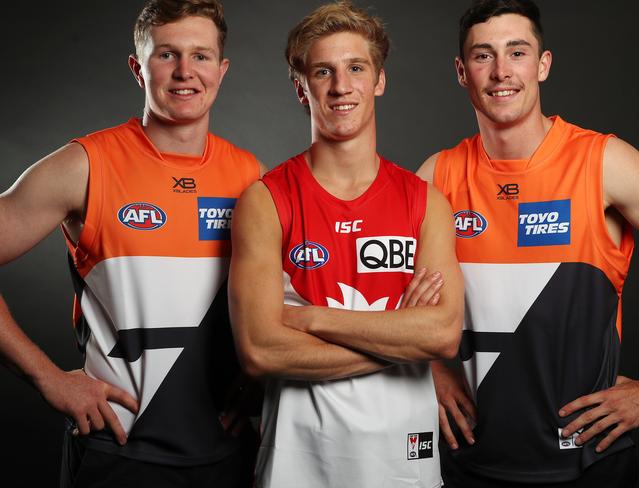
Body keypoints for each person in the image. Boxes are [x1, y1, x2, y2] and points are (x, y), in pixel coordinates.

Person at [0, 0, 265, 486]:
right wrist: (47, 377)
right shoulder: (85, 165)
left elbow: (273, 302)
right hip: (118, 451)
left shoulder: (252, 178)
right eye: (166, 55)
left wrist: (257, 381)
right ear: (137, 68)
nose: (185, 72)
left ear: (222, 70)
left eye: (201, 56)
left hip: (226, 452)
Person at [228, 2, 464, 487]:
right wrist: (402, 337)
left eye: (356, 67)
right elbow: (259, 351)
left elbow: (442, 335)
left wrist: (310, 319)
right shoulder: (265, 201)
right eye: (323, 71)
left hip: (405, 461)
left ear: (379, 80)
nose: (341, 86)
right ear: (301, 88)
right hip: (299, 463)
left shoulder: (427, 202)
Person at [416, 0, 639, 486]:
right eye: (483, 56)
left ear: (542, 64)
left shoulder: (604, 162)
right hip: (471, 462)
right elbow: (392, 295)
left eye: (517, 52)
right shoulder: (437, 176)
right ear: (462, 72)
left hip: (588, 464)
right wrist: (432, 370)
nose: (501, 71)